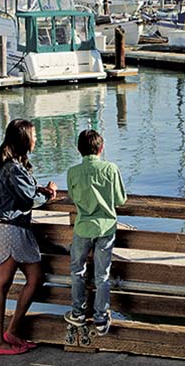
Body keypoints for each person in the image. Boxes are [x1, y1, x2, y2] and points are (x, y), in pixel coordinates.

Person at [0, 119, 57, 356]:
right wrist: (48, 196)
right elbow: (28, 200)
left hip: (5, 226)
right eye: (34, 136)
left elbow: (24, 191)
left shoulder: (11, 165)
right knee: (3, 284)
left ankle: (12, 332)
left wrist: (39, 189)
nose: (36, 139)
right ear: (25, 139)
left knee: (34, 278)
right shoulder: (12, 167)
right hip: (9, 228)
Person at [63, 129, 126, 336]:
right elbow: (120, 200)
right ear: (101, 148)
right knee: (102, 274)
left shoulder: (73, 172)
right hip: (106, 228)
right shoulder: (111, 169)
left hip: (82, 227)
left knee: (77, 270)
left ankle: (78, 312)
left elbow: (73, 196)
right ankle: (101, 318)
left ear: (78, 150)